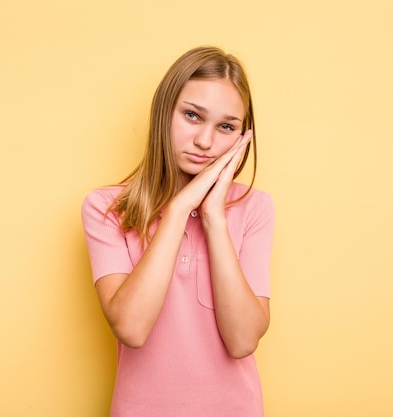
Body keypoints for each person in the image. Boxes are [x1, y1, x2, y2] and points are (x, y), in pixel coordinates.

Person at [81, 46, 275, 417]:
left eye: (226, 127)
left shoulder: (254, 208)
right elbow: (132, 328)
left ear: (242, 137)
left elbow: (242, 341)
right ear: (162, 113)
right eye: (191, 116)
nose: (205, 141)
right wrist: (179, 209)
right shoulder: (106, 208)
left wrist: (214, 218)